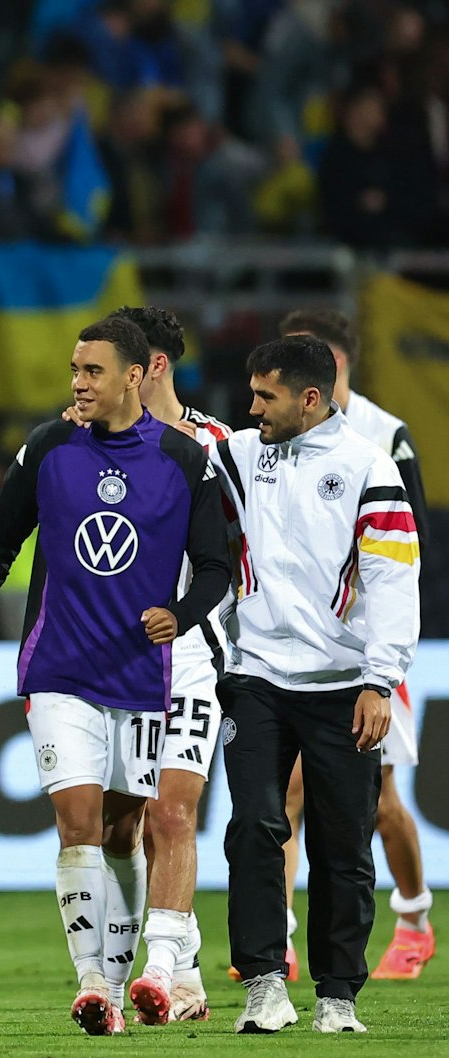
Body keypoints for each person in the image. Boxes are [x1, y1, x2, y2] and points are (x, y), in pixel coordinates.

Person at [0, 316, 230, 1036]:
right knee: (78, 823)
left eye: (92, 371)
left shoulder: (186, 460)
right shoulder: (50, 447)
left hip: (143, 672)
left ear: (134, 375)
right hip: (60, 667)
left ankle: (137, 981)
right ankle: (94, 983)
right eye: (73, 370)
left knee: (129, 830)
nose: (77, 384)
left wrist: (180, 616)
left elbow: (215, 566)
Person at [214, 334, 419, 1035]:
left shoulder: (368, 468)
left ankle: (338, 995)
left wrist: (380, 679)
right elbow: (173, 429)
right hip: (256, 678)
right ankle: (265, 983)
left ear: (309, 397)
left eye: (264, 396)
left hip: (343, 685)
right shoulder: (240, 453)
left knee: (343, 843)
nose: (252, 408)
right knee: (253, 829)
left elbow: (394, 576)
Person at [276, 308, 434, 981]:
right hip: (291, 649)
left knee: (377, 802)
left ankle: (415, 916)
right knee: (286, 793)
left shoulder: (384, 438)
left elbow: (407, 547)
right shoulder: (272, 435)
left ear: (339, 367)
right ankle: (279, 939)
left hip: (367, 650)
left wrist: (384, 649)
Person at [90, 306, 233, 1025]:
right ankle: (189, 975)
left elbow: (241, 561)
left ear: (152, 369)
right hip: (110, 664)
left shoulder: (217, 446)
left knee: (172, 812)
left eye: (116, 367)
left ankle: (160, 968)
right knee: (128, 828)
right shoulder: (84, 442)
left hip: (194, 659)